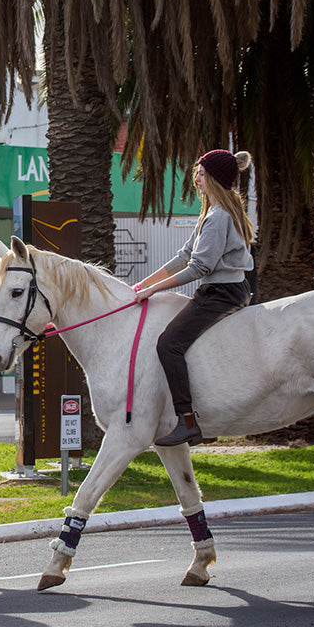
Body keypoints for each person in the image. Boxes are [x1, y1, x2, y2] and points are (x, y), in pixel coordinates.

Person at [133, 149, 256, 446]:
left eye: (201, 174)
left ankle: (188, 422)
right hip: (225, 289)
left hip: (220, 293)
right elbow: (183, 256)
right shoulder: (212, 214)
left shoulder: (217, 218)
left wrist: (153, 291)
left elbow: (200, 267)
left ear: (213, 178)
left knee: (168, 344)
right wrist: (141, 285)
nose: (197, 179)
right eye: (197, 173)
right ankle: (207, 419)